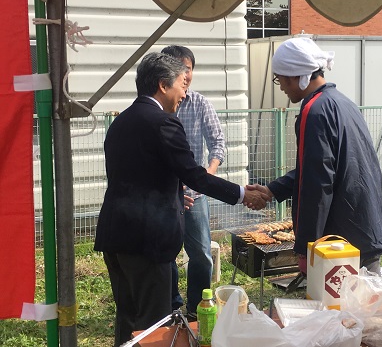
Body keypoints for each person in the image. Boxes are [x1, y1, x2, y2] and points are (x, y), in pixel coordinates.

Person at [94, 52, 269, 346]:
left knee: (127, 317)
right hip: (147, 241)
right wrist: (242, 194)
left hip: (115, 235)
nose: (184, 93)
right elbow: (194, 175)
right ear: (163, 85)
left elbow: (142, 175)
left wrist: (175, 195)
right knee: (154, 326)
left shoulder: (120, 123)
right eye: (181, 85)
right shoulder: (163, 123)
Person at [247, 37, 382, 274]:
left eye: (280, 78)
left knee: (337, 309)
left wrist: (308, 246)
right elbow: (323, 166)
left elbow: (317, 182)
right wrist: (274, 190)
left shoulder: (313, 111)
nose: (281, 86)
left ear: (295, 76)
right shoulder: (342, 102)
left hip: (341, 240)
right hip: (365, 226)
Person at [161, 45, 224, 318]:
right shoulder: (158, 105)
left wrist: (208, 173)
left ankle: (198, 308)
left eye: (189, 69)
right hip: (164, 194)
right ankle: (172, 306)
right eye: (179, 69)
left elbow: (218, 142)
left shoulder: (199, 103)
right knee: (166, 253)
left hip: (195, 194)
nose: (185, 75)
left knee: (200, 253)